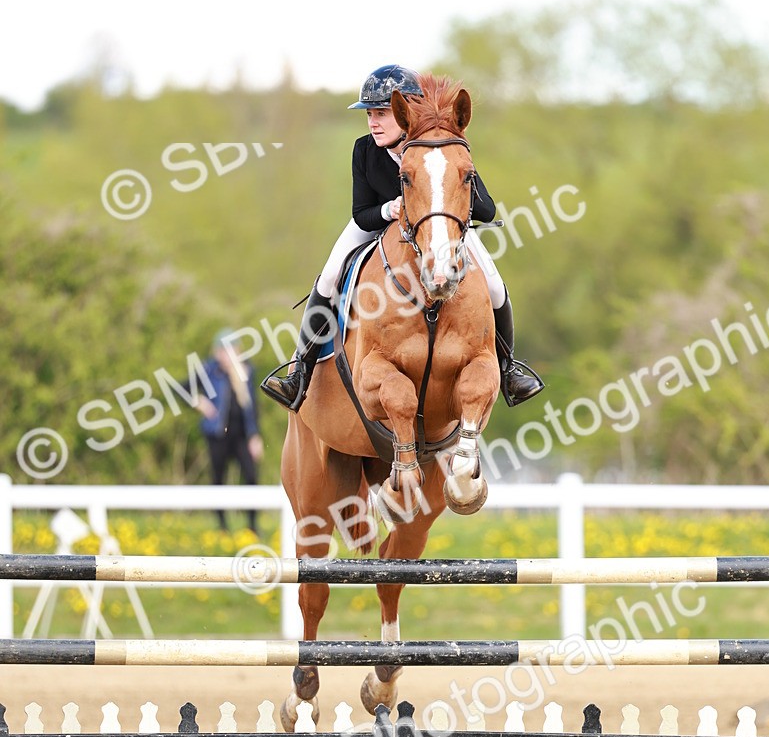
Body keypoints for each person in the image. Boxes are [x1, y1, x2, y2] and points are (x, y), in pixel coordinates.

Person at [263, 63, 543, 412]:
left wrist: (449, 197)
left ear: (404, 112)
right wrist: (390, 210)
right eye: (370, 114)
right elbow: (360, 212)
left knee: (495, 284)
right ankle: (299, 374)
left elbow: (485, 211)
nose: (373, 122)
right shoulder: (364, 150)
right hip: (377, 224)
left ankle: (509, 368)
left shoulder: (440, 150)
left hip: (437, 229)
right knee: (331, 274)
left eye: (381, 113)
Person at [194, 330, 264, 533]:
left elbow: (252, 406)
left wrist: (255, 435)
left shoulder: (246, 371)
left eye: (232, 350)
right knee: (218, 479)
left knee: (251, 477)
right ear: (217, 352)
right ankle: (222, 526)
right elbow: (182, 388)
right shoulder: (209, 370)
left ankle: (252, 525)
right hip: (217, 435)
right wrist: (200, 402)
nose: (228, 355)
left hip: (242, 434)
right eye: (224, 351)